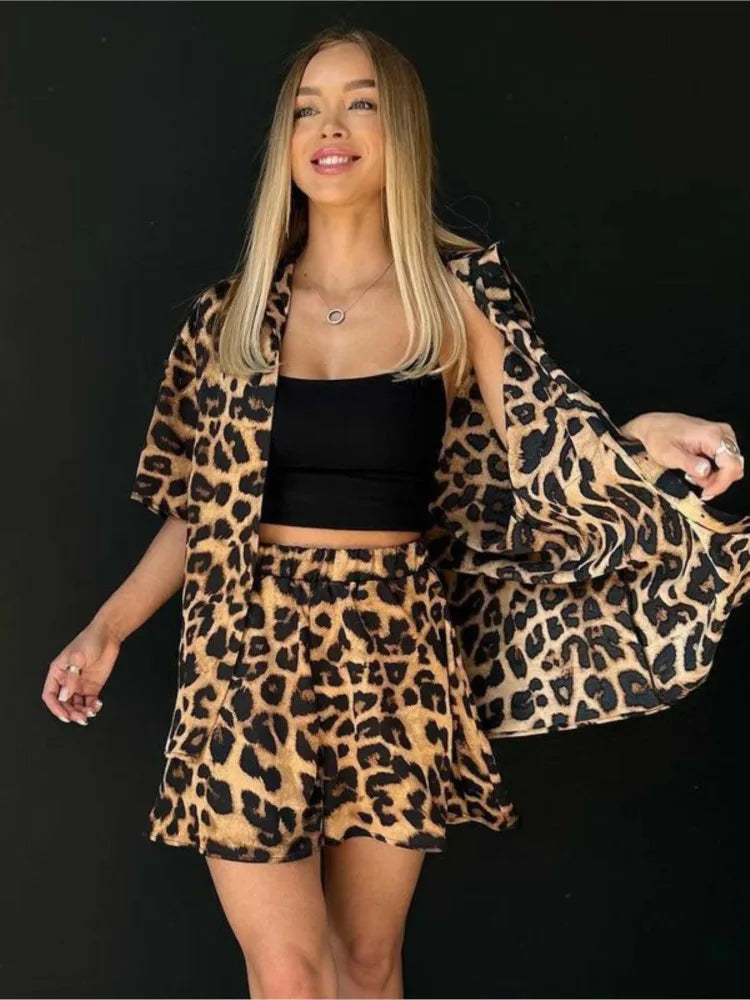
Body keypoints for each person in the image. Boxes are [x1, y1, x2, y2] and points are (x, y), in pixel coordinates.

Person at [41, 25, 747, 1000]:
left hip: (396, 641)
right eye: (308, 108)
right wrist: (108, 628)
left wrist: (645, 434)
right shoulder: (227, 317)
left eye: (360, 103)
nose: (330, 127)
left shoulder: (456, 297)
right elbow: (201, 510)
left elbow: (550, 441)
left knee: (367, 965)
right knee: (291, 974)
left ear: (399, 131)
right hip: (245, 642)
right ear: (288, 141)